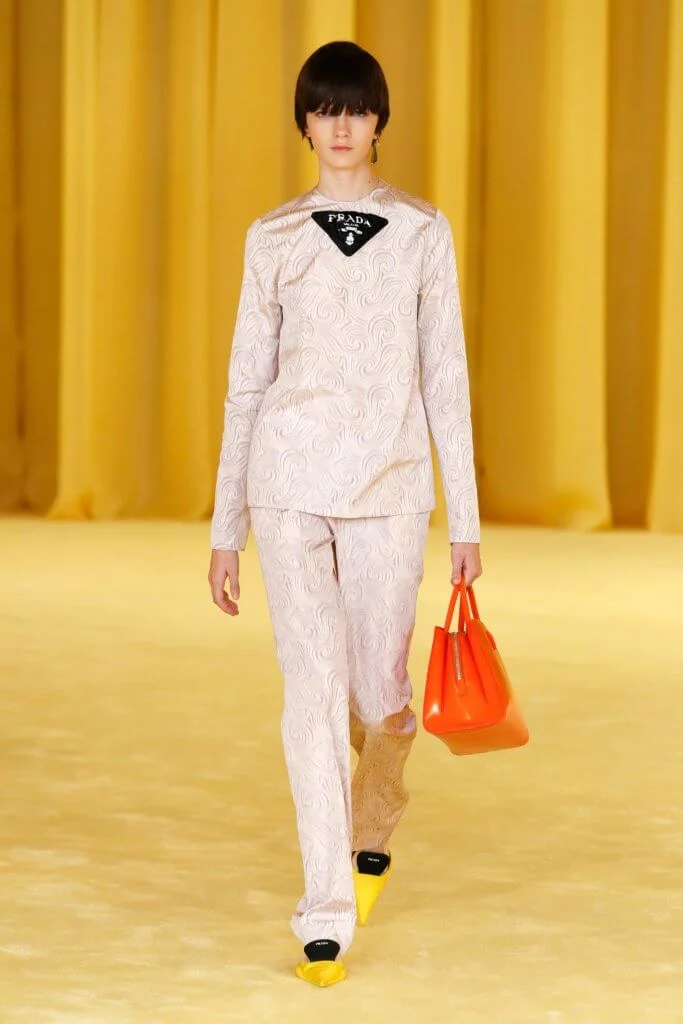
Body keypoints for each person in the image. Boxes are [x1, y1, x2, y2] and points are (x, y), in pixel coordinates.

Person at [208, 39, 482, 987]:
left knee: (379, 695)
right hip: (288, 484)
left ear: (378, 121)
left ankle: (377, 812)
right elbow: (246, 385)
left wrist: (464, 520)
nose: (339, 126)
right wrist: (226, 528)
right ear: (304, 122)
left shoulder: (421, 232)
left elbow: (446, 378)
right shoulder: (273, 237)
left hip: (390, 488)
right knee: (313, 697)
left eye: (355, 109)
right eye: (324, 110)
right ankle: (324, 911)